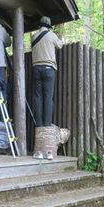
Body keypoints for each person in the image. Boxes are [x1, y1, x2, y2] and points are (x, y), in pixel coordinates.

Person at [32, 16, 63, 160]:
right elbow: (60, 45)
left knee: (38, 97)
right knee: (48, 98)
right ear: (49, 26)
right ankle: (46, 124)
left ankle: (39, 124)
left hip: (36, 68)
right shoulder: (51, 35)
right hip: (49, 68)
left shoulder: (34, 36)